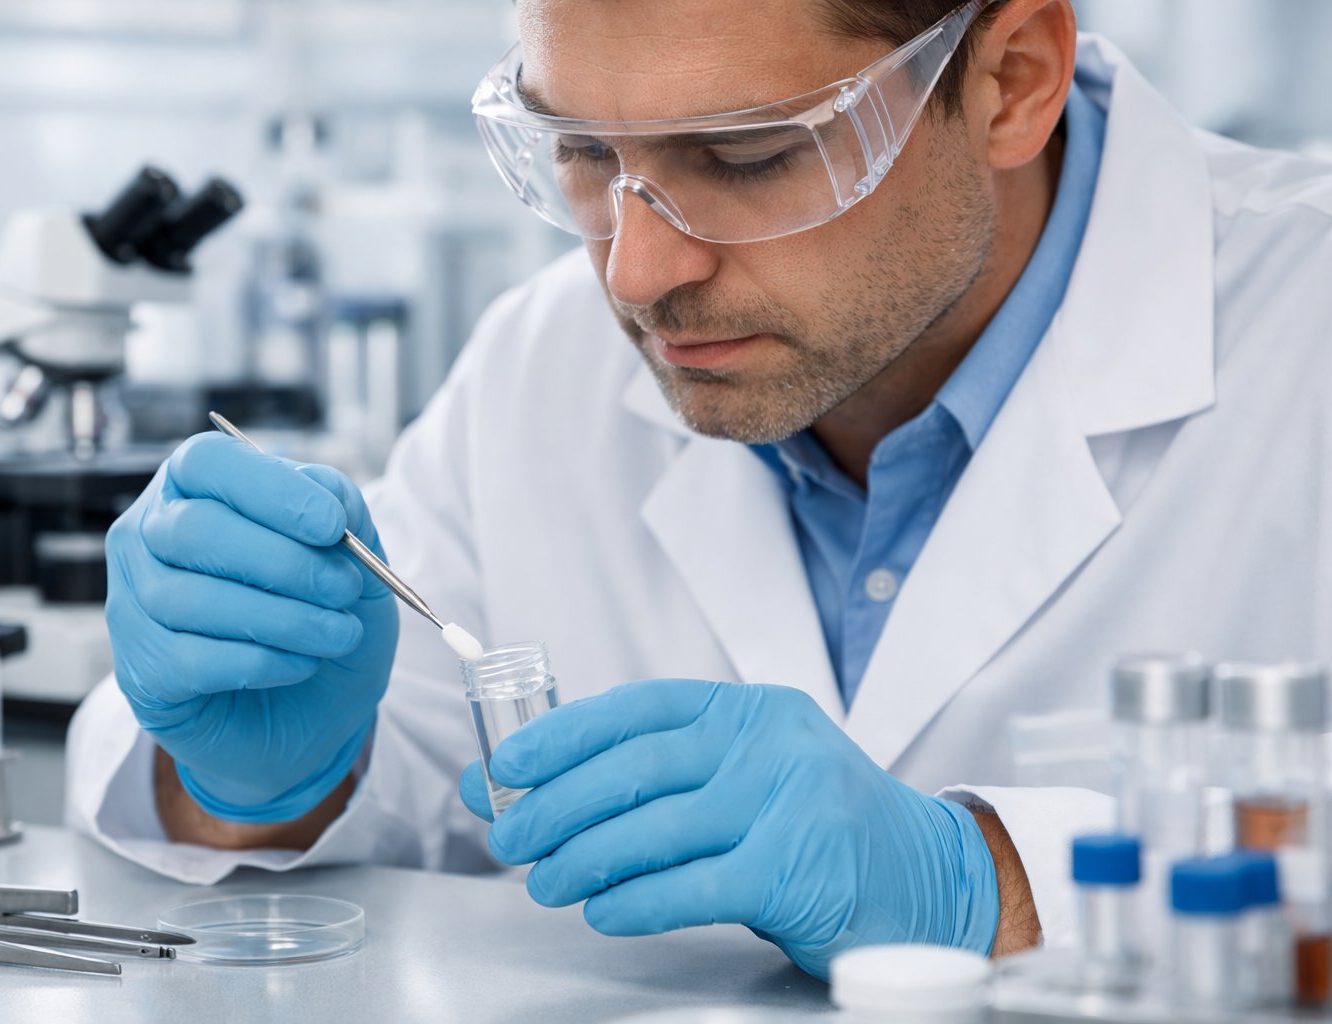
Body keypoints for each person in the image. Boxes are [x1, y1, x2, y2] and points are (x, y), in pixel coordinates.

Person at [68, 0, 1332, 978]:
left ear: (1011, 81)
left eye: (748, 153)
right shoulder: (541, 365)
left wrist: (989, 881)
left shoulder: (1303, 327)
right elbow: (401, 777)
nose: (636, 272)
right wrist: (254, 778)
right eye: (580, 151)